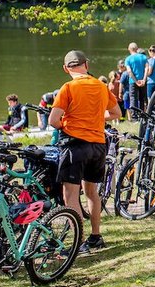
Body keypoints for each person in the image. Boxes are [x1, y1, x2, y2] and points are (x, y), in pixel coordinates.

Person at [48, 50, 121, 253]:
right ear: (86, 65)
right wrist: (96, 119)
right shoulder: (101, 85)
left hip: (75, 145)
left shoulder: (68, 88)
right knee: (91, 192)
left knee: (70, 194)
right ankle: (96, 236)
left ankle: (77, 243)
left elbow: (53, 121)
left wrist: (66, 123)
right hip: (98, 146)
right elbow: (116, 113)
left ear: (66, 69)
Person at [124, 42, 149, 111]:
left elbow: (129, 71)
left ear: (129, 49)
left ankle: (134, 116)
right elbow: (147, 68)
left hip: (133, 81)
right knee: (142, 98)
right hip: (143, 81)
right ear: (137, 49)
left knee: (133, 98)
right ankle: (142, 115)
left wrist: (135, 81)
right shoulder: (144, 57)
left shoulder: (128, 59)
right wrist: (144, 79)